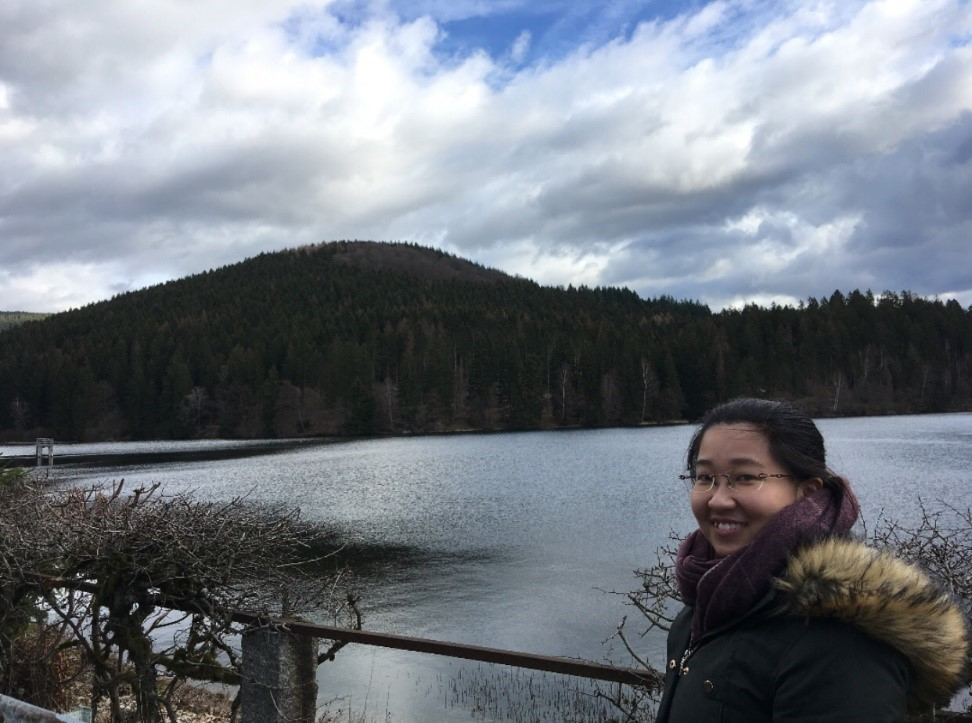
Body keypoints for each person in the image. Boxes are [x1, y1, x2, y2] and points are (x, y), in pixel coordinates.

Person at [655, 398, 969, 722]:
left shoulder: (841, 640)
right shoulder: (704, 606)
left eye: (746, 477)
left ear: (806, 492)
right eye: (705, 477)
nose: (718, 500)